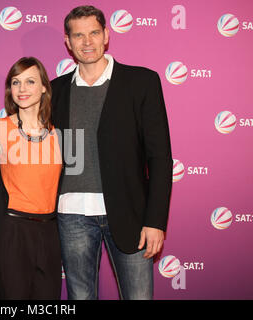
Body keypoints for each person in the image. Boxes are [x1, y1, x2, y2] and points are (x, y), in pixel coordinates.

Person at [51, 5, 173, 300]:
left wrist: (155, 221)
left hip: (129, 212)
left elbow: (159, 157)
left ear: (106, 35)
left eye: (94, 32)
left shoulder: (141, 82)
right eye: (78, 35)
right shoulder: (54, 90)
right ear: (68, 42)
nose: (87, 42)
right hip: (72, 215)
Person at [0, 57, 63, 299]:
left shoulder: (59, 133)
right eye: (16, 82)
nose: (22, 89)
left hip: (50, 232)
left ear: (43, 88)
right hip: (11, 231)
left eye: (30, 81)